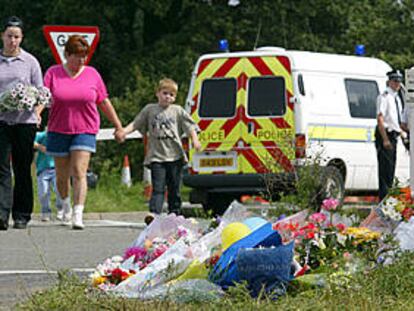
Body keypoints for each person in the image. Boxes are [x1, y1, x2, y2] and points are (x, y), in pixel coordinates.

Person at [44, 35, 123, 229]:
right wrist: (36, 115)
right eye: (77, 56)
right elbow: (43, 97)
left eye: (84, 57)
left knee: (79, 171)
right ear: (67, 54)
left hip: (85, 128)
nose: (81, 61)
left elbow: (103, 101)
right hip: (58, 129)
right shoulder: (53, 73)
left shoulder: (92, 74)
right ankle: (66, 206)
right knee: (61, 175)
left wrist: (118, 125)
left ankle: (78, 213)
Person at [116, 78, 201, 215]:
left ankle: (175, 214)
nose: (168, 97)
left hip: (175, 156)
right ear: (158, 93)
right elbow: (136, 123)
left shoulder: (177, 111)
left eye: (171, 95)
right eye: (165, 93)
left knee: (174, 188)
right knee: (158, 188)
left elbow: (190, 127)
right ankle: (154, 214)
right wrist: (124, 132)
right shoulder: (150, 110)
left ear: (175, 98)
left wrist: (195, 140)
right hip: (157, 157)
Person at [0, 16, 44, 230]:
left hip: (24, 122)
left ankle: (22, 214)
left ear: (21, 38)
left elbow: (41, 92)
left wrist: (36, 113)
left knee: (22, 167)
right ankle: (1, 213)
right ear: (2, 36)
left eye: (16, 37)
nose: (13, 41)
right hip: (1, 121)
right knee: (1, 168)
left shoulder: (30, 62)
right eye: (9, 36)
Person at [375, 69, 407, 201]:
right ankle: (383, 201)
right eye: (395, 81)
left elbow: (397, 120)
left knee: (390, 170)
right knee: (385, 171)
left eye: (399, 81)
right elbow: (380, 118)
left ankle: (387, 199)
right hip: (385, 134)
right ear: (389, 81)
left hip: (394, 135)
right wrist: (385, 139)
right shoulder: (384, 96)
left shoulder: (396, 98)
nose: (398, 84)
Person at [34, 129, 63, 221]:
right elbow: (30, 139)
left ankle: (61, 209)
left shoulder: (61, 135)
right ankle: (45, 212)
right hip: (43, 168)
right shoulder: (43, 135)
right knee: (43, 192)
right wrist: (40, 147)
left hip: (57, 168)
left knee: (60, 190)